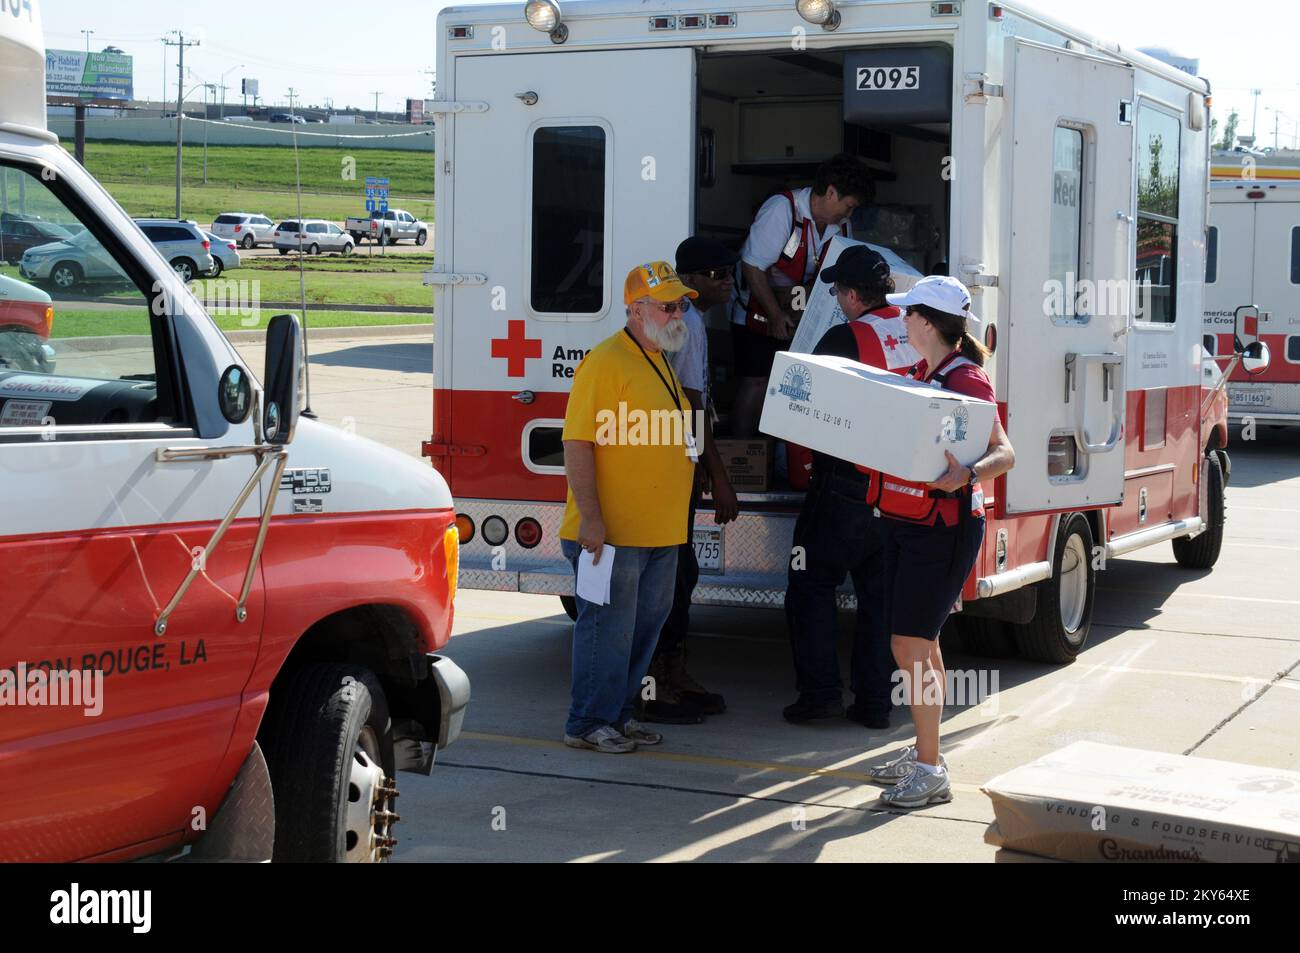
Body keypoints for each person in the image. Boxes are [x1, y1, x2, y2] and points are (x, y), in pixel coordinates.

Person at [862, 276, 1016, 807]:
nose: (901, 321)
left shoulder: (967, 380)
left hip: (943, 529)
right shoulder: (920, 373)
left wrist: (966, 475)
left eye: (908, 315)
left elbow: (1005, 453)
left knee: (909, 647)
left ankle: (930, 770)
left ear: (927, 323)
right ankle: (926, 752)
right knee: (920, 645)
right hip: (909, 523)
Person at [559, 261, 700, 753]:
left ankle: (617, 716)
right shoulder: (605, 362)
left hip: (659, 531)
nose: (678, 313)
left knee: (643, 629)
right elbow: (577, 443)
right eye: (668, 306)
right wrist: (593, 519)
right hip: (613, 532)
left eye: (681, 304)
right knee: (607, 629)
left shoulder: (659, 357)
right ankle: (587, 722)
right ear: (636, 311)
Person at [782, 245, 919, 727]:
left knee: (810, 584)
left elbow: (806, 409)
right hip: (903, 492)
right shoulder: (914, 330)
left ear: (855, 294)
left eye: (839, 290)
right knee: (880, 600)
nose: (837, 298)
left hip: (847, 487)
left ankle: (820, 695)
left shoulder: (846, 337)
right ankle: (875, 704)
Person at [642, 237, 741, 724]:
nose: (728, 283)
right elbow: (692, 407)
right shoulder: (687, 323)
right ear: (695, 280)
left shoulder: (697, 321)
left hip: (680, 461)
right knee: (672, 577)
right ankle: (655, 682)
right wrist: (719, 476)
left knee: (682, 572)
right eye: (720, 274)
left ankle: (673, 672)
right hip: (668, 463)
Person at [728, 154, 875, 437]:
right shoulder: (782, 210)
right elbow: (752, 266)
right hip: (756, 308)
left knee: (794, 387)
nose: (849, 214)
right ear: (831, 192)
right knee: (757, 382)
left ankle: (781, 460)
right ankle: (741, 454)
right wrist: (775, 314)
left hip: (800, 310)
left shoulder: (841, 226)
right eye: (849, 206)